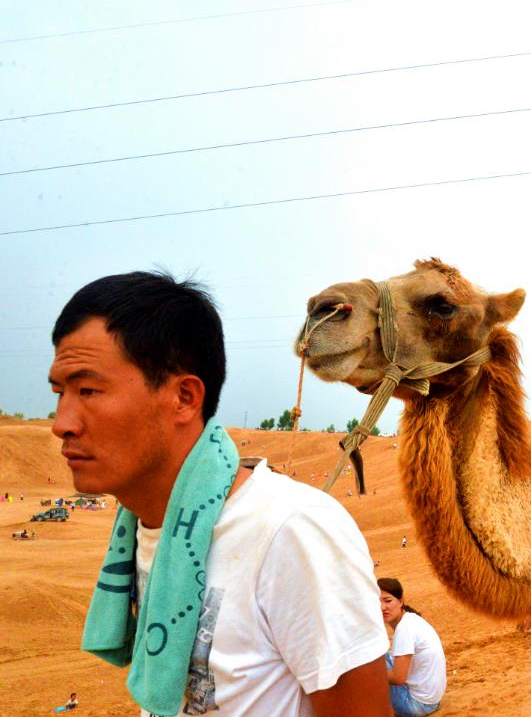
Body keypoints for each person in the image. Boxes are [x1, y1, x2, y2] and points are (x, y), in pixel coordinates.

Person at [49, 272, 391, 717]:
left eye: (88, 390)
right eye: (60, 393)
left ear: (184, 398)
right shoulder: (146, 527)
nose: (62, 422)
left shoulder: (292, 530)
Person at [379, 578, 446, 716]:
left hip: (416, 706)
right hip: (432, 701)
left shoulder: (404, 629)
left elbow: (398, 678)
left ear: (401, 601)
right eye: (377, 602)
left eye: (388, 600)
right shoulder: (411, 619)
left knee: (368, 662)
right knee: (380, 657)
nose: (382, 607)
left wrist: (370, 674)